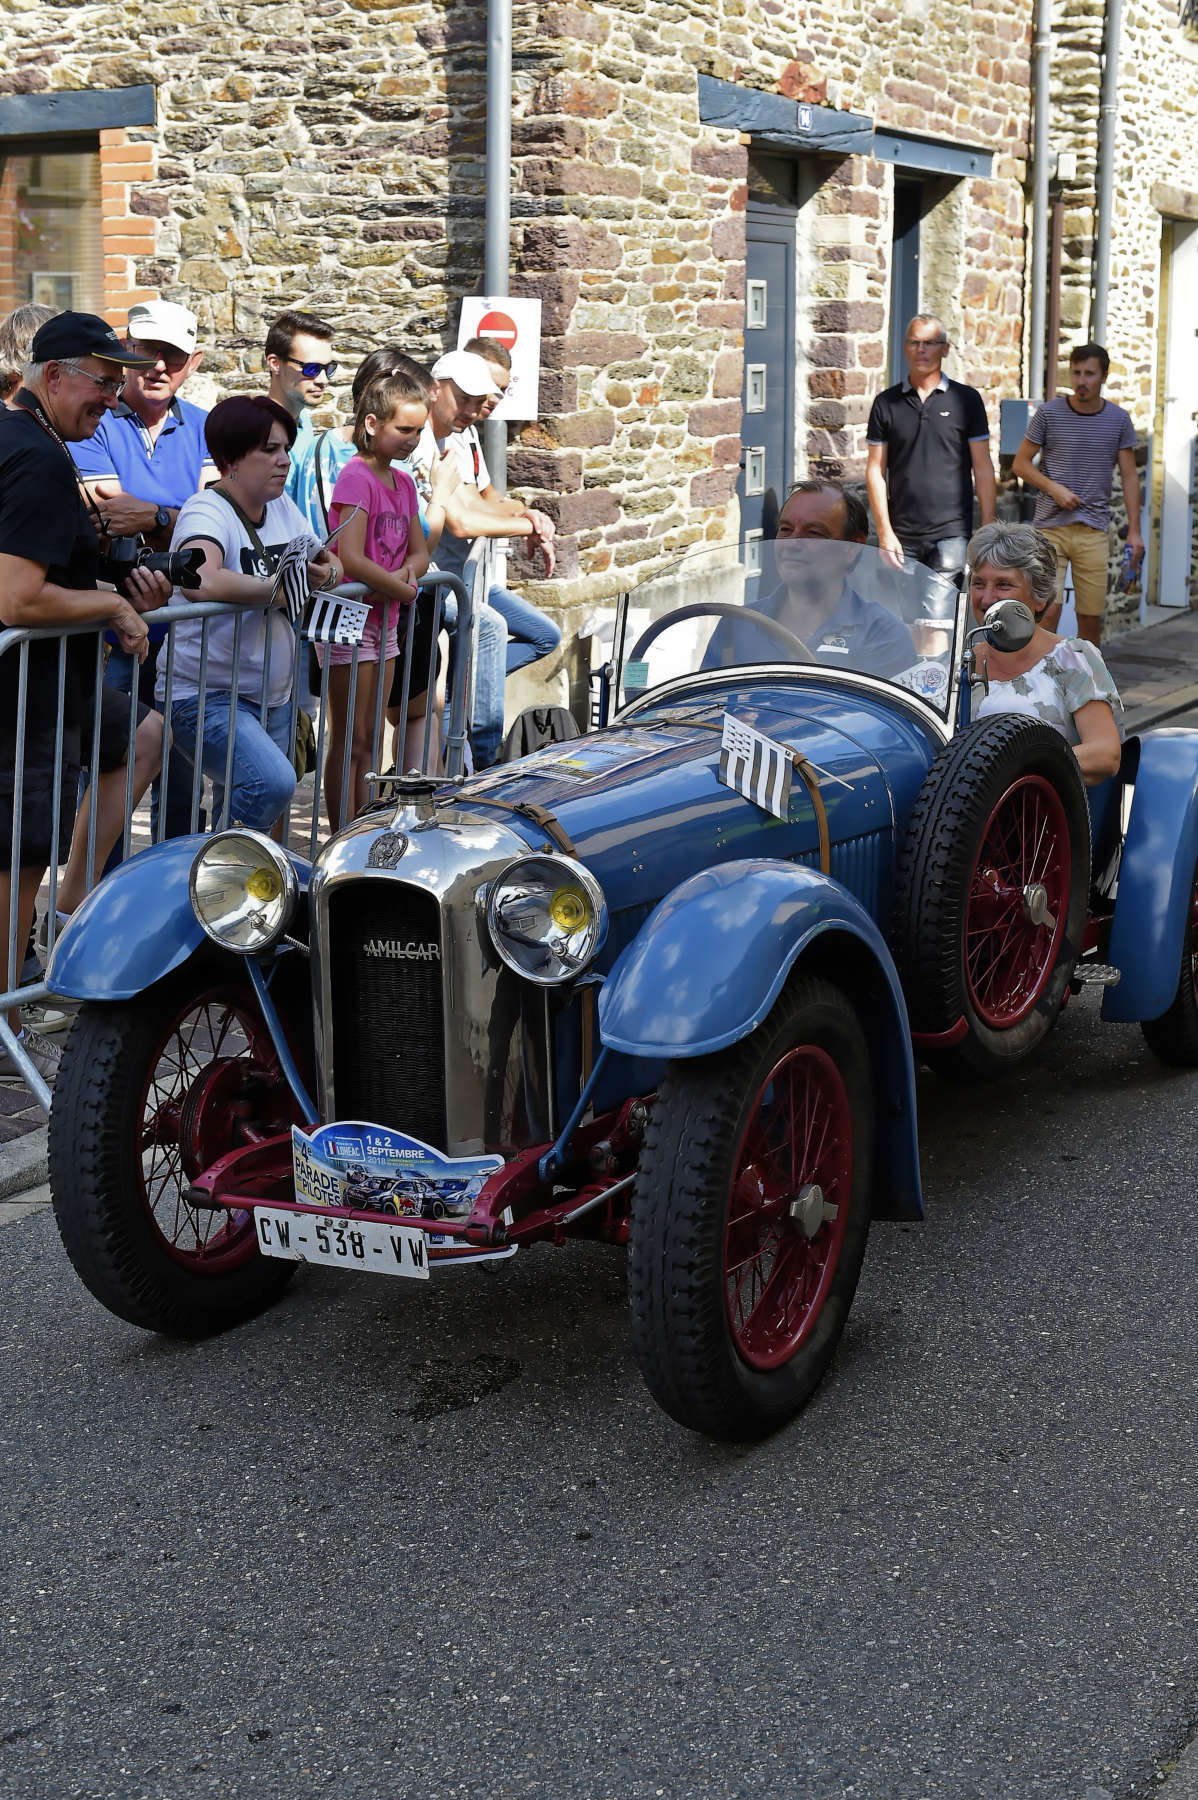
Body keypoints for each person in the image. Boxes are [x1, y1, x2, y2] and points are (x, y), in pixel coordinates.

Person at [0, 311, 169, 1084]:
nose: (115, 400)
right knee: (16, 852)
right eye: (103, 384)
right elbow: (17, 598)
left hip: (54, 683)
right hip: (23, 691)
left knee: (138, 735)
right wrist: (110, 606)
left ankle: (63, 925)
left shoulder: (31, 441)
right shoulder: (34, 455)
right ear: (56, 372)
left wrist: (110, 580)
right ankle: (5, 1009)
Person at [159, 396, 342, 833]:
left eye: (285, 449)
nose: (284, 461)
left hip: (272, 696)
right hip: (206, 695)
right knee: (273, 783)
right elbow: (200, 578)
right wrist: (278, 592)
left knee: (257, 814)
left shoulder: (280, 506)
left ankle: (227, 890)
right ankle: (208, 873)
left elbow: (329, 560)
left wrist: (326, 574)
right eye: (269, 450)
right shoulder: (206, 509)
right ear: (232, 459)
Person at [69, 299, 215, 850]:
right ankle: (91, 903)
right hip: (114, 629)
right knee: (108, 773)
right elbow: (106, 511)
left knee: (180, 781)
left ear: (192, 362)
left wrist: (154, 515)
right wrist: (184, 515)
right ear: (126, 348)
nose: (158, 366)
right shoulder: (96, 419)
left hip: (187, 631)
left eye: (172, 356)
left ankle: (176, 897)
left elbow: (217, 523)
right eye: (148, 350)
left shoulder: (207, 426)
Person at [322, 370, 431, 829]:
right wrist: (402, 586)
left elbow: (420, 550)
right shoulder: (355, 476)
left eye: (419, 431)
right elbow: (349, 557)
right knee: (350, 737)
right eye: (404, 430)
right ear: (372, 424)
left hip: (385, 619)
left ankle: (362, 827)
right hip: (351, 618)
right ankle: (341, 832)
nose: (413, 440)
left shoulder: (404, 483)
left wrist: (410, 572)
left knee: (372, 741)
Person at [706, 479, 918, 678]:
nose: (792, 543)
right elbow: (703, 708)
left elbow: (881, 716)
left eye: (814, 533)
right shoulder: (736, 624)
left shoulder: (881, 635)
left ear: (852, 548)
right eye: (786, 529)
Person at [969, 522, 1122, 784]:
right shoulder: (959, 662)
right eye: (978, 583)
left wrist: (1014, 765)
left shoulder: (1073, 656)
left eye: (1003, 585)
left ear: (1039, 597)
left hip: (1042, 816)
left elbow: (1105, 754)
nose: (986, 599)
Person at [1011, 343, 1143, 645]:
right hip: (1049, 529)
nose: (1081, 381)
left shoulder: (1119, 419)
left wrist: (1134, 531)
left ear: (1104, 376)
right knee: (1047, 613)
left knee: (1090, 617)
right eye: (1076, 372)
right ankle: (1041, 678)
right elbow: (1019, 464)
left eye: (1089, 374)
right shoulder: (1049, 413)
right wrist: (1053, 488)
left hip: (1092, 529)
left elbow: (1130, 477)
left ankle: (1089, 684)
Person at [457, 335, 561, 678]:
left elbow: (488, 499)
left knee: (545, 636)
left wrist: (529, 514)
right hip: (449, 583)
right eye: (488, 387)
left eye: (501, 391)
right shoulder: (438, 435)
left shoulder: (469, 433)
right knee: (492, 634)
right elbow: (463, 521)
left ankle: (469, 685)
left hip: (475, 580)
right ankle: (468, 691)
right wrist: (526, 526)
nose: (493, 399)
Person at [866, 314, 996, 583]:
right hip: (901, 537)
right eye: (914, 342)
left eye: (929, 343)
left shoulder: (966, 400)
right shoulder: (886, 403)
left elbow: (983, 467)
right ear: (905, 347)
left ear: (945, 349)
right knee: (906, 622)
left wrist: (987, 527)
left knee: (940, 620)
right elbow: (875, 470)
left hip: (952, 533)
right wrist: (884, 531)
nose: (921, 350)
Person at [264, 308, 337, 474]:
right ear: (275, 363)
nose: (323, 380)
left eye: (329, 368)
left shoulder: (303, 420)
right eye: (311, 368)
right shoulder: (254, 431)